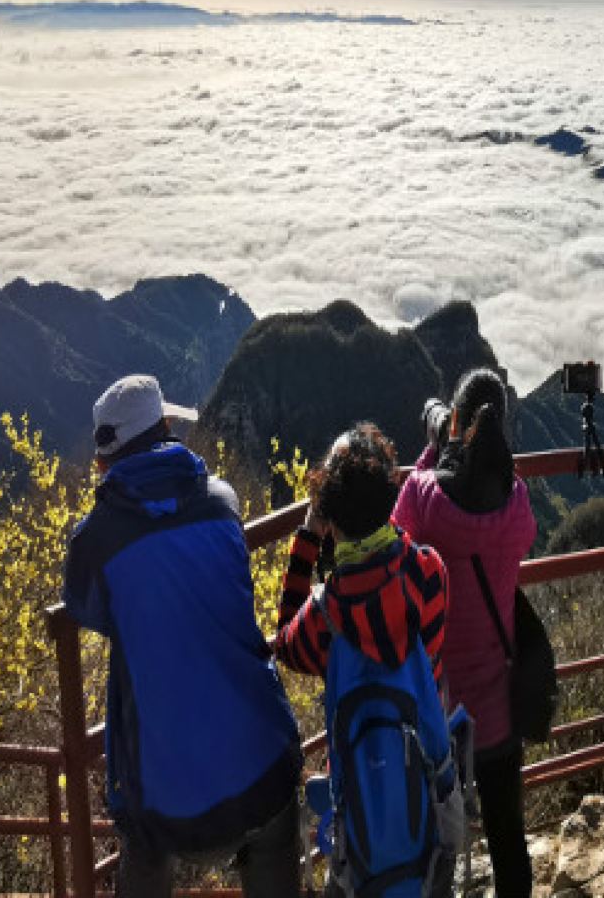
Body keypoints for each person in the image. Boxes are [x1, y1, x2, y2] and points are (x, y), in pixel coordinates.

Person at [62, 374, 302, 898]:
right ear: (167, 429)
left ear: (105, 460)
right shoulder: (223, 503)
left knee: (141, 846)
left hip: (164, 800)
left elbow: (90, 609)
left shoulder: (92, 542)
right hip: (262, 761)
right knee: (276, 829)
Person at [274, 422, 459, 898]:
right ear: (389, 501)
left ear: (330, 518)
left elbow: (284, 642)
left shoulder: (324, 617)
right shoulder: (428, 572)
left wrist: (308, 541)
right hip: (425, 785)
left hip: (359, 808)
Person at [393, 367, 537, 898]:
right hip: (497, 712)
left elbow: (395, 538)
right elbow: (520, 532)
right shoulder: (516, 504)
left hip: (436, 711)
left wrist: (434, 453)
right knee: (507, 837)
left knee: (434, 844)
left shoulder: (426, 496)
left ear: (454, 422)